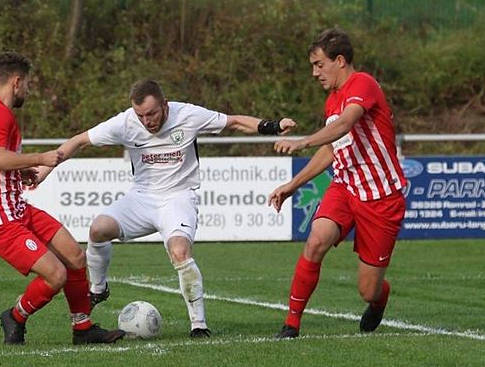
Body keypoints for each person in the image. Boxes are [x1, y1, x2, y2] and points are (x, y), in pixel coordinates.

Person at [41, 79, 296, 338]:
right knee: (98, 229)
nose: (146, 121)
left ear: (165, 105)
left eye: (151, 113)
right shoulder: (126, 122)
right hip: (141, 197)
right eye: (141, 115)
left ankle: (198, 325)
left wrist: (272, 126)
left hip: (178, 198)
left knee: (180, 252)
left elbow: (234, 122)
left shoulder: (188, 115)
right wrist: (44, 168)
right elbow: (78, 141)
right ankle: (98, 289)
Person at [0, 52, 125, 346]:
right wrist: (41, 158)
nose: (27, 91)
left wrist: (21, 171)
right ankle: (15, 316)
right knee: (56, 275)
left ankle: (83, 328)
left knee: (75, 256)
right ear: (16, 82)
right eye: (27, 85)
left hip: (15, 207)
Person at [269, 28, 407, 338]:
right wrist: (292, 186)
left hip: (381, 197)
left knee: (368, 290)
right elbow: (332, 148)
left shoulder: (363, 84)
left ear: (340, 60)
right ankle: (291, 324)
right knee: (316, 239)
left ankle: (379, 299)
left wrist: (301, 142)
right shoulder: (332, 101)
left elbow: (346, 123)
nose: (314, 72)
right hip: (345, 187)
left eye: (319, 64)